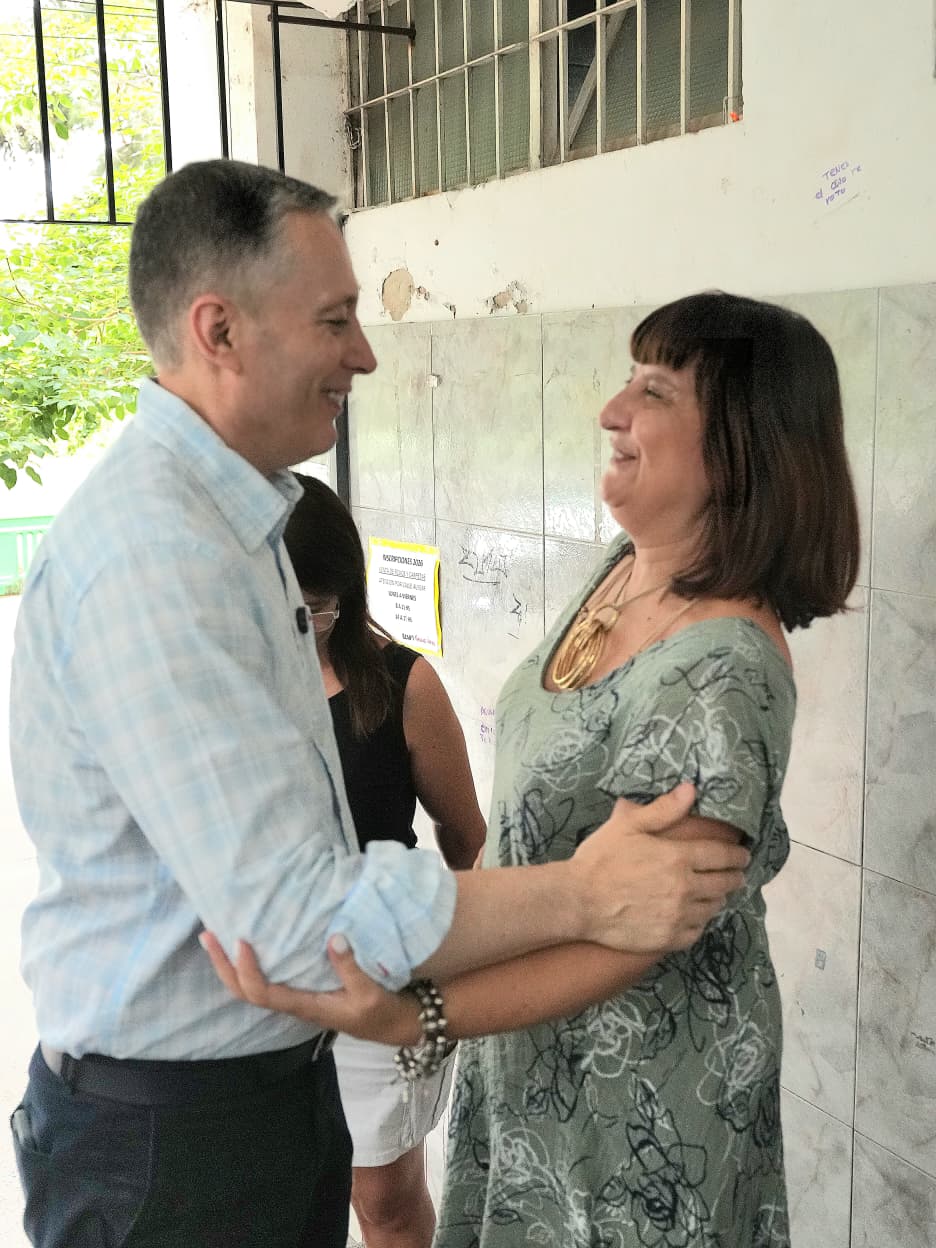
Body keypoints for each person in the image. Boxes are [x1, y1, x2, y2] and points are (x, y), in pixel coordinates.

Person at [8, 159, 751, 1248]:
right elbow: (294, 921)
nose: (364, 353)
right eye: (335, 319)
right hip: (178, 1144)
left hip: (263, 1096)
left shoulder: (242, 527)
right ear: (219, 331)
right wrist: (579, 896)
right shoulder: (157, 556)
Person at [204, 291, 861, 1248]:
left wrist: (416, 1016)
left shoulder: (722, 667)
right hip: (533, 1059)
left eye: (654, 392)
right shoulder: (624, 570)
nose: (611, 411)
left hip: (638, 1100)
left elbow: (638, 934)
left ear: (742, 447)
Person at [284, 473, 486, 1248]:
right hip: (261, 984)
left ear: (345, 591)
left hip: (382, 973)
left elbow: (466, 837)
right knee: (280, 1193)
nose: (298, 629)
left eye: (315, 610)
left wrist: (456, 973)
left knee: (384, 1202)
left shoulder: (401, 682)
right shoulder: (223, 687)